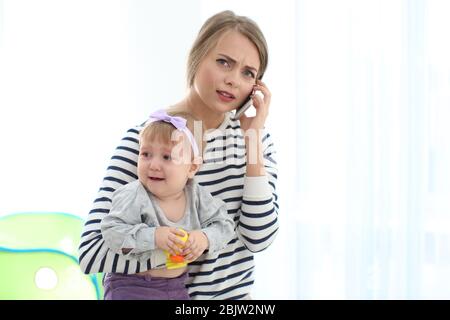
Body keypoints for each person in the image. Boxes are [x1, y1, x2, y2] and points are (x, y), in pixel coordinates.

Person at [79, 10, 279, 300]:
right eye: (224, 62)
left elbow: (258, 238)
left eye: (248, 73)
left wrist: (253, 143)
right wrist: (174, 248)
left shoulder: (257, 140)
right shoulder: (147, 142)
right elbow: (91, 253)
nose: (234, 80)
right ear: (197, 56)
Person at [99, 110, 235, 300]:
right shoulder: (134, 194)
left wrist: (205, 238)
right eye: (145, 154)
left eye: (166, 157)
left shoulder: (197, 196)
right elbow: (111, 231)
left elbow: (226, 225)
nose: (153, 165)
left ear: (192, 168)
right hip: (132, 287)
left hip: (176, 287)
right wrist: (153, 236)